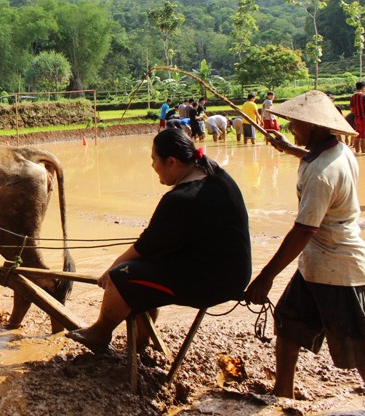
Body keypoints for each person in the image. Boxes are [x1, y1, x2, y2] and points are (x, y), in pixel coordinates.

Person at [245, 91, 365, 412]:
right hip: (317, 264)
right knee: (287, 322)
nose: (290, 129)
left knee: (357, 346)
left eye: (296, 125)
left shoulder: (321, 174)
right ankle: (281, 395)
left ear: (314, 128)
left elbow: (303, 230)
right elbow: (314, 156)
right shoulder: (337, 150)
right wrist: (291, 150)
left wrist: (266, 275)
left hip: (337, 268)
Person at [67, 129, 251, 353]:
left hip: (213, 282)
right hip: (230, 271)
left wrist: (111, 270)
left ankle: (101, 331)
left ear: (171, 162)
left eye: (154, 160)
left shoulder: (179, 200)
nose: (152, 166)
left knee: (122, 275)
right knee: (146, 269)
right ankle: (142, 340)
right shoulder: (215, 174)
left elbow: (144, 247)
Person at [350, 81, 365, 154]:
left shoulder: (353, 97)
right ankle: (363, 153)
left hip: (356, 119)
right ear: (363, 87)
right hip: (364, 119)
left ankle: (356, 152)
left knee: (357, 136)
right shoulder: (363, 96)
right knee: (363, 137)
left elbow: (352, 110)